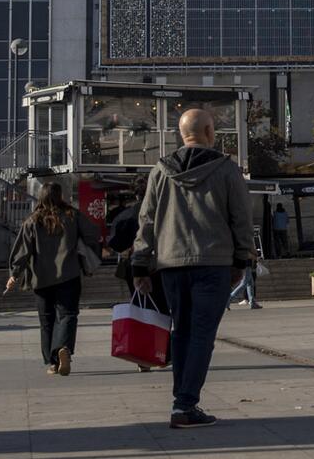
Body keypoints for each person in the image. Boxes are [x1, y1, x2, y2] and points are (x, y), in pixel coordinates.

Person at [135, 108, 254, 429]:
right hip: (213, 264)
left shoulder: (160, 170)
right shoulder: (226, 170)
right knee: (202, 335)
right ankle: (185, 404)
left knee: (181, 332)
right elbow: (241, 217)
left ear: (181, 133)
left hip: (171, 265)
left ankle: (181, 401)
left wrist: (140, 263)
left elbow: (146, 219)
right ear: (210, 132)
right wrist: (242, 259)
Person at [7, 182, 101, 376]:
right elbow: (93, 232)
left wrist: (14, 274)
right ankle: (63, 347)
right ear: (60, 196)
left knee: (47, 320)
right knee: (67, 315)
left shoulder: (32, 221)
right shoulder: (72, 216)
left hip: (41, 279)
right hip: (69, 275)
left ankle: (53, 362)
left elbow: (22, 251)